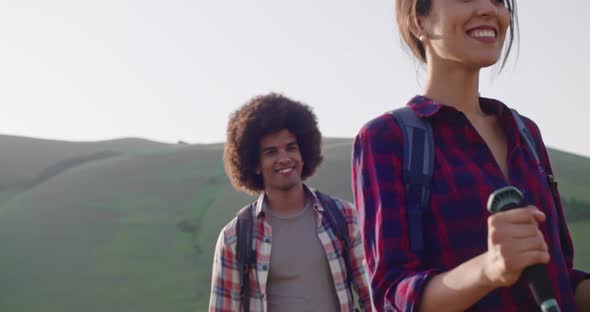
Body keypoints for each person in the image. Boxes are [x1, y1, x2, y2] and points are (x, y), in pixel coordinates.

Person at [351, 0, 590, 311]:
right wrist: (489, 269)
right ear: (418, 21)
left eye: (498, 1)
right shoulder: (386, 138)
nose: (489, 9)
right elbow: (392, 296)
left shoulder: (525, 132)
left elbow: (558, 277)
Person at [209, 93, 372, 312]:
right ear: (255, 164)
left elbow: (371, 295)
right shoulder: (235, 238)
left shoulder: (344, 217)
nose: (284, 158)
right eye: (271, 152)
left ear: (303, 153)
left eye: (291, 148)